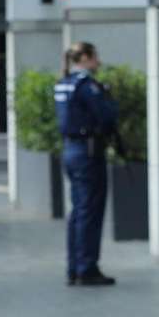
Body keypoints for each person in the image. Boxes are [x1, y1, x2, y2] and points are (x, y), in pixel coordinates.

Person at [55, 42, 119, 286]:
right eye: (95, 57)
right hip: (88, 151)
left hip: (71, 150)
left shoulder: (64, 83)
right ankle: (86, 267)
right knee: (90, 210)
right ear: (86, 57)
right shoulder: (87, 85)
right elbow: (107, 115)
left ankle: (75, 266)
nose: (98, 62)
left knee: (79, 210)